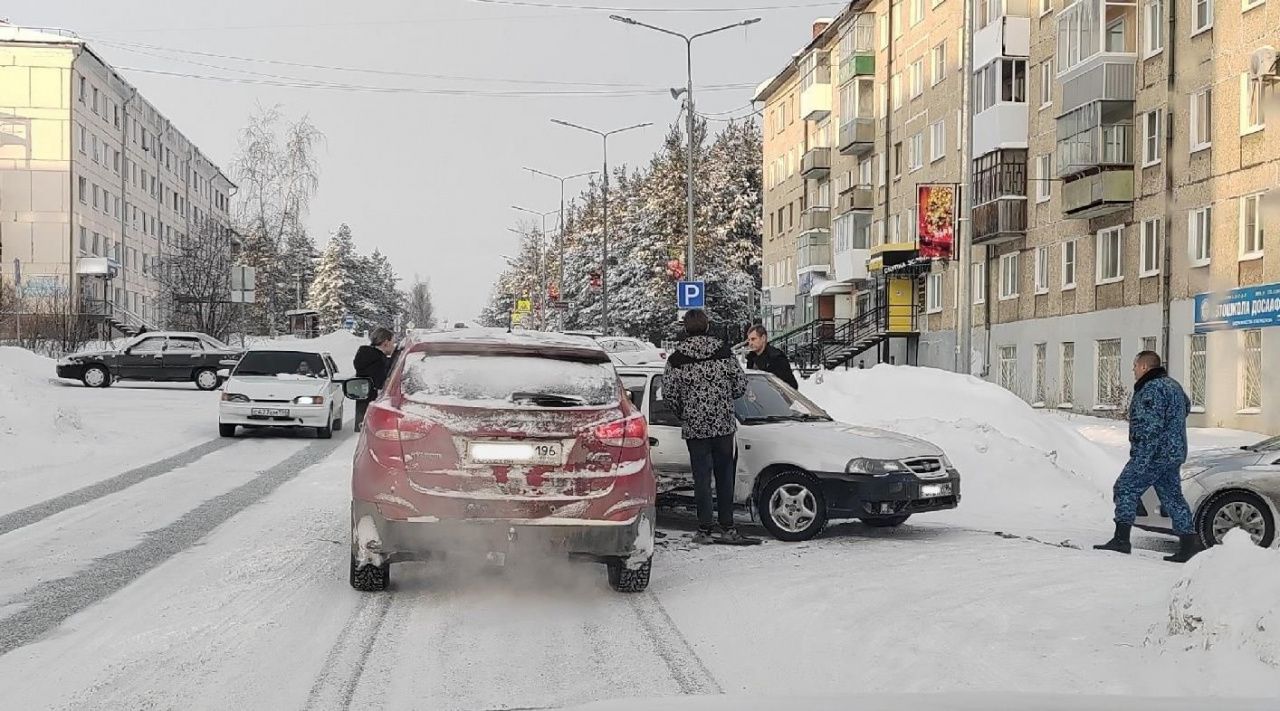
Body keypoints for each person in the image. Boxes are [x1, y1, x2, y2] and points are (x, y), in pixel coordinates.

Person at [1094, 351, 1201, 563]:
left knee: (1125, 488)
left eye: (1135, 366)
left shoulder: (1150, 390)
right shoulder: (1173, 386)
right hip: (1174, 452)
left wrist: (1141, 460)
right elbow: (1185, 409)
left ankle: (1121, 540)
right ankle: (1189, 545)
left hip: (1153, 455)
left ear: (1144, 367)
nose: (1133, 370)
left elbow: (1148, 429)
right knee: (1172, 496)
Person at [663, 309, 751, 545]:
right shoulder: (724, 352)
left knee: (701, 477)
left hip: (695, 428)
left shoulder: (676, 358)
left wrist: (684, 412)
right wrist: (723, 399)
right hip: (723, 425)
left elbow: (669, 393)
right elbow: (740, 384)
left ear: (685, 328)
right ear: (708, 325)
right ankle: (727, 526)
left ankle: (704, 528)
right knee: (725, 476)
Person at [353, 327, 396, 432]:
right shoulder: (379, 362)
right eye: (393, 343)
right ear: (386, 342)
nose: (394, 346)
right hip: (376, 412)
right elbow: (383, 385)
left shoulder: (366, 358)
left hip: (362, 410)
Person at [744, 325, 799, 390]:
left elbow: (791, 387)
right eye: (749, 340)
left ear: (763, 338)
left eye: (753, 339)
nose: (750, 343)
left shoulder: (777, 358)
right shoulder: (751, 358)